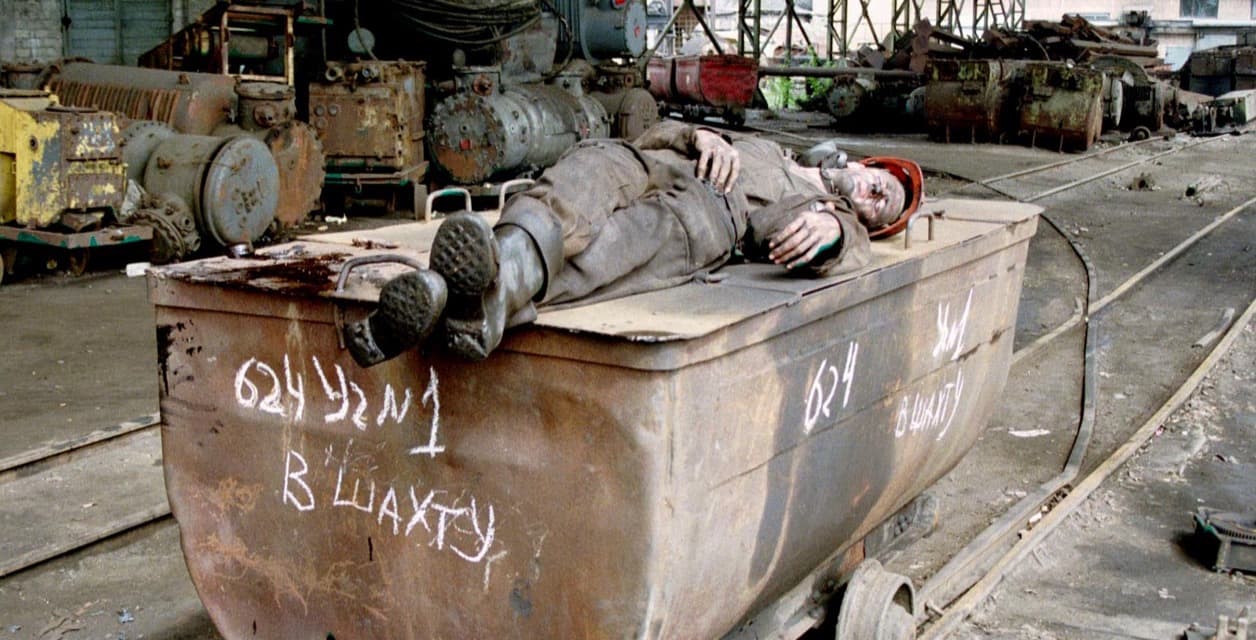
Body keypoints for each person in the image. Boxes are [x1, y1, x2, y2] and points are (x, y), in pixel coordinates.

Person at [344, 120, 924, 366]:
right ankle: (488, 289)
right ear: (864, 164)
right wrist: (700, 134)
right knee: (586, 171)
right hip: (656, 160)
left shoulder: (827, 215)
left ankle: (466, 290)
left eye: (882, 206)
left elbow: (846, 250)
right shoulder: (773, 151)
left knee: (623, 243)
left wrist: (832, 231)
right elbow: (652, 132)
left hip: (707, 212)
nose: (873, 195)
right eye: (880, 183)